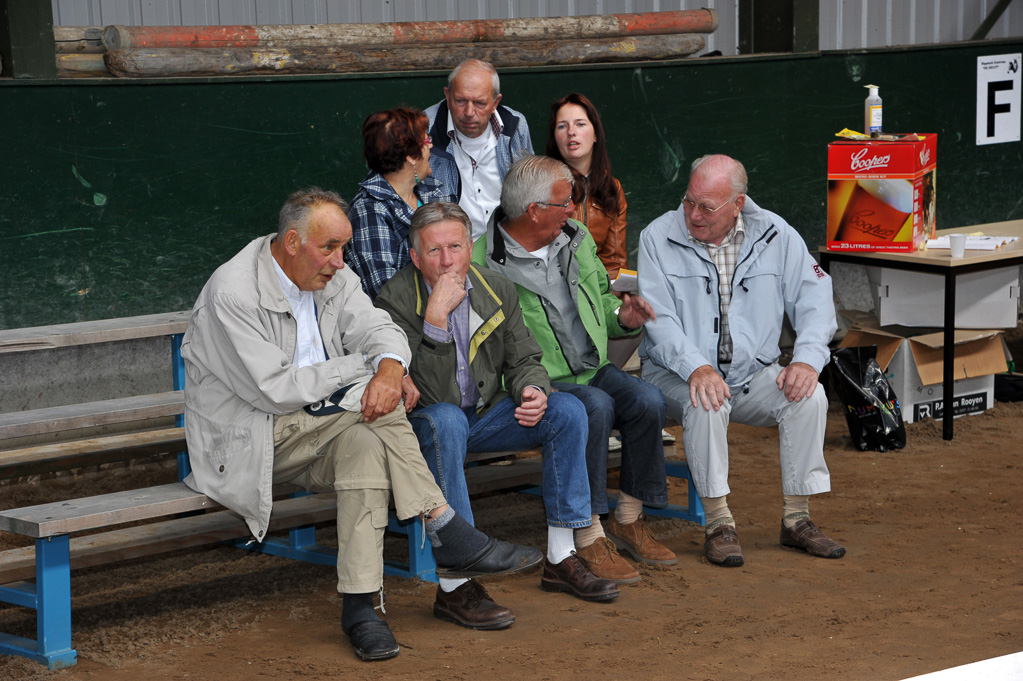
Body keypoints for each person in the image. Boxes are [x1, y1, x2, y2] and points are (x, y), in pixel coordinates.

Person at [180, 188, 542, 662]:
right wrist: (366, 371)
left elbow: (381, 331)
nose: (340, 260)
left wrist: (390, 368)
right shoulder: (233, 291)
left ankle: (361, 608)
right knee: (381, 407)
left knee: (369, 445)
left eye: (344, 247)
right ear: (291, 242)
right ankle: (445, 526)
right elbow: (276, 390)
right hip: (252, 438)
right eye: (329, 247)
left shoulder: (332, 273)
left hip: (323, 423)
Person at [376, 201, 620, 616]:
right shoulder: (393, 299)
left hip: (483, 414)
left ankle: (561, 558)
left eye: (455, 246)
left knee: (566, 411)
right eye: (434, 251)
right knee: (448, 420)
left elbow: (525, 358)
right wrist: (435, 320)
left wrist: (533, 390)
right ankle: (457, 583)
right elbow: (435, 396)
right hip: (425, 423)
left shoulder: (496, 288)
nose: (447, 260)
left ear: (471, 248)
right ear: (415, 257)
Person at [472, 155, 677, 584]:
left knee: (647, 400)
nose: (572, 210)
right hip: (539, 381)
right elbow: (487, 350)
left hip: (592, 367)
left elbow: (602, 297)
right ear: (534, 211)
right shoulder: (482, 263)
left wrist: (623, 316)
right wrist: (526, 385)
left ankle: (628, 517)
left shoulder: (576, 235)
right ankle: (588, 534)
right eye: (565, 202)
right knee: (595, 407)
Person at [637, 154, 845, 567]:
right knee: (707, 399)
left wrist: (805, 360)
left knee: (810, 395)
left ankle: (797, 518)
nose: (693, 215)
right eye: (689, 201)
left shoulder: (775, 233)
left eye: (707, 207)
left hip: (753, 374)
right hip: (674, 373)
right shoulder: (657, 236)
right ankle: (719, 523)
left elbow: (815, 296)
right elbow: (658, 320)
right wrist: (697, 367)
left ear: (737, 204)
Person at [344, 106, 456, 301]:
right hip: (403, 324)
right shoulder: (370, 209)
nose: (430, 146)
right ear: (412, 157)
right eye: (426, 141)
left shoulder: (432, 192)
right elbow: (385, 293)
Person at [425, 59, 533, 239]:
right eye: (460, 101)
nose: (468, 112)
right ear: (448, 96)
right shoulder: (425, 130)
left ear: (495, 102)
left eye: (480, 103)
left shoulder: (515, 126)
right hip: (450, 247)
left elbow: (530, 190)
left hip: (508, 242)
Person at [545, 92, 627, 279]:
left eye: (580, 124)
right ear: (555, 138)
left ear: (596, 134)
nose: (571, 132)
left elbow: (617, 262)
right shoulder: (541, 186)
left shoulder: (613, 188)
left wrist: (619, 304)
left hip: (598, 292)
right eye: (562, 126)